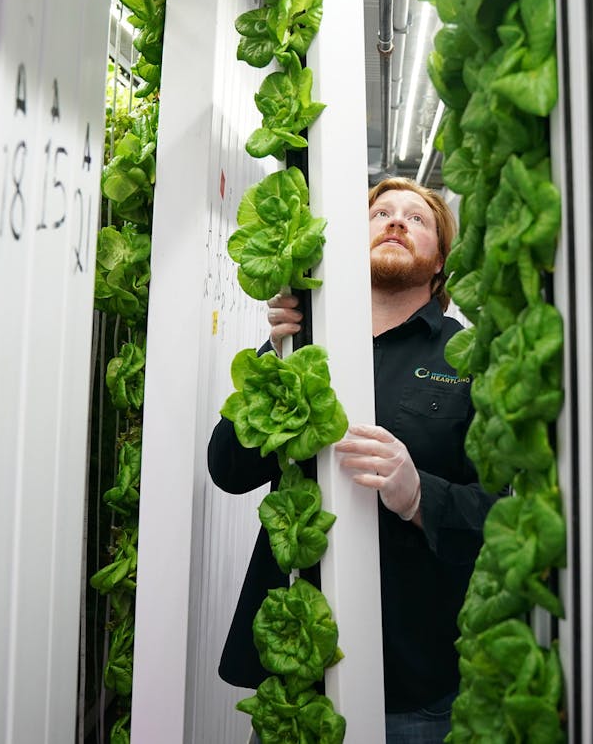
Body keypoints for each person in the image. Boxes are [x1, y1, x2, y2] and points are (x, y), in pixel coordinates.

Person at [207, 176, 496, 744]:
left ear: (441, 262)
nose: (396, 222)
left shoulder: (468, 359)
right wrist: (277, 360)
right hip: (296, 676)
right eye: (382, 212)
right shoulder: (304, 348)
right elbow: (228, 470)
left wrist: (419, 496)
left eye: (417, 220)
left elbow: (501, 515)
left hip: (412, 684)